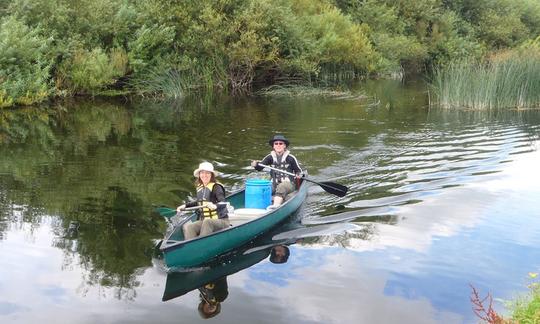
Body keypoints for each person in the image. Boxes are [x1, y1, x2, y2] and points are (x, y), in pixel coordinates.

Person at [177, 162, 229, 239]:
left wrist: (214, 206)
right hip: (205, 220)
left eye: (207, 173)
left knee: (207, 222)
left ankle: (200, 244)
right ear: (199, 174)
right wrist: (184, 205)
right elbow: (198, 202)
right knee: (190, 227)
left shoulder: (216, 187)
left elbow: (223, 203)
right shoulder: (200, 187)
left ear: (211, 175)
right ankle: (189, 245)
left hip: (221, 221)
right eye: (202, 173)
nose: (204, 175)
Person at [251, 134, 302, 209]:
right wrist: (255, 165)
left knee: (281, 187)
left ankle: (275, 207)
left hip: (289, 184)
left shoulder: (291, 158)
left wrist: (298, 174)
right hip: (274, 183)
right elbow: (260, 167)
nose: (278, 145)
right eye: (276, 144)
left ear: (284, 146)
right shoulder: (270, 157)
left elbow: (299, 171)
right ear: (273, 146)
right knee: (264, 189)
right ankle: (257, 206)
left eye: (280, 143)